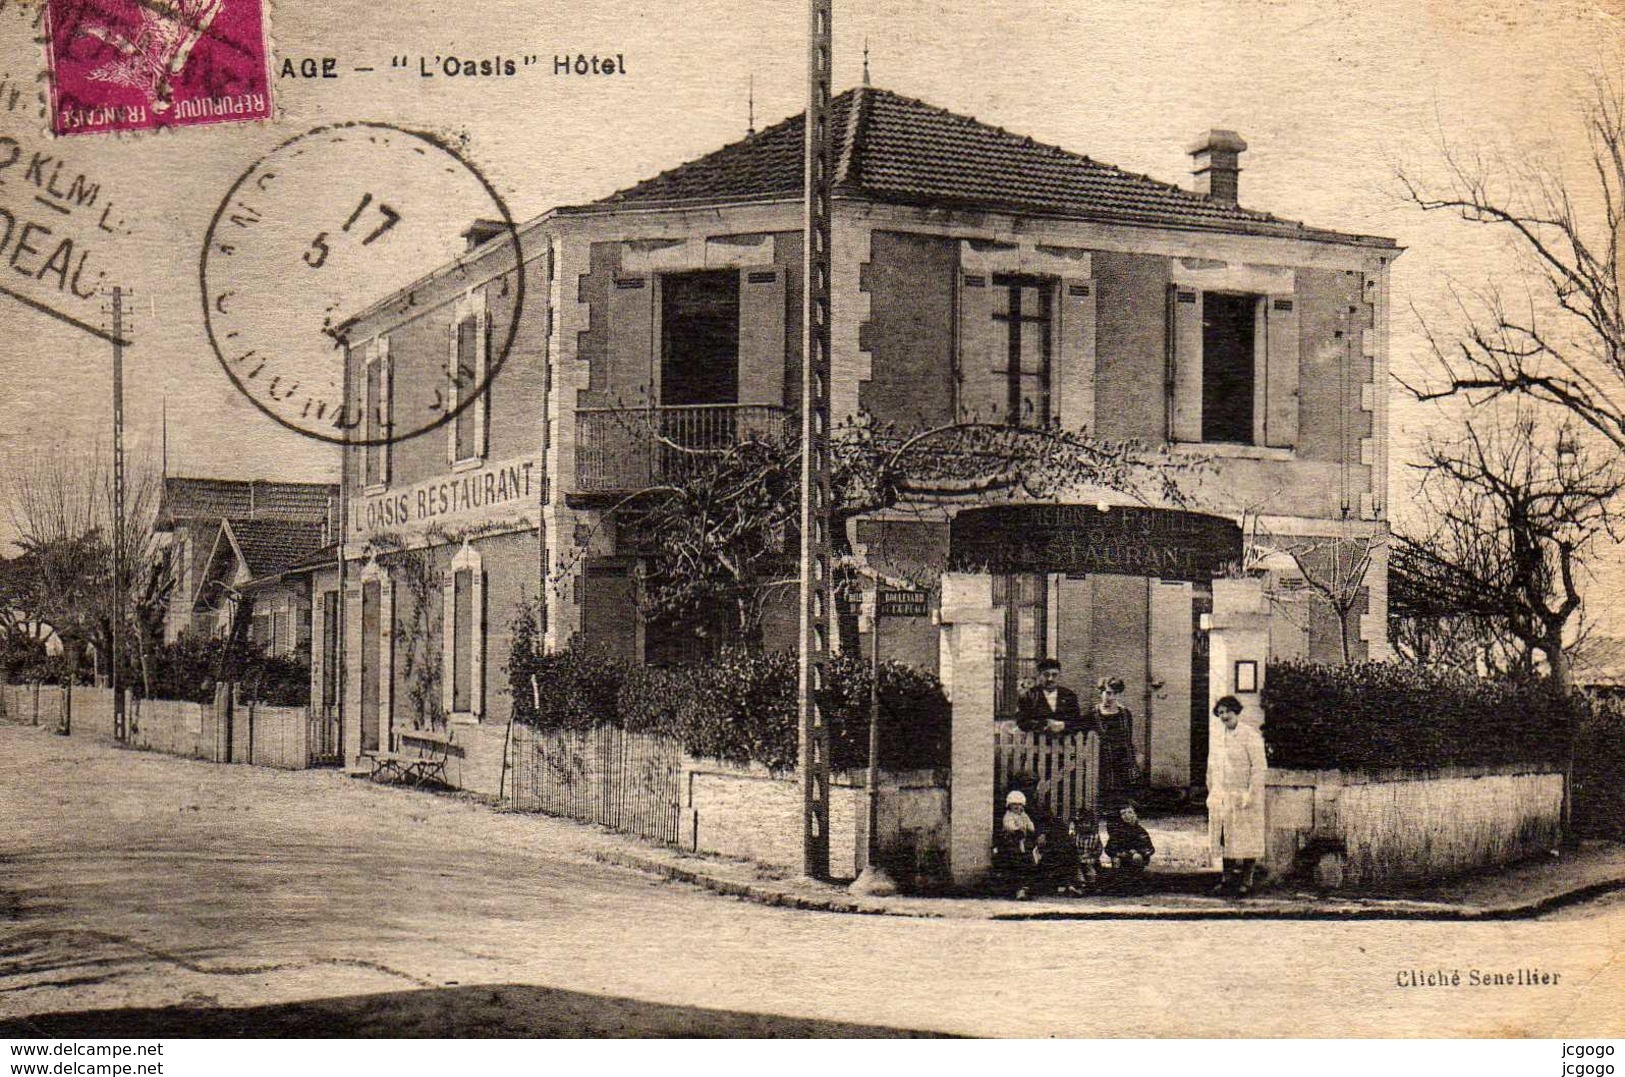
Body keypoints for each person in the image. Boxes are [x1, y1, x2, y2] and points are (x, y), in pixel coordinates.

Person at [1207, 695, 1268, 897]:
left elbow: (1259, 767)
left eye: (1228, 711)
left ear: (1237, 712)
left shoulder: (1250, 735)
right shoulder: (1217, 736)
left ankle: (1247, 881)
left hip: (1244, 795)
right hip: (1222, 795)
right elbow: (1212, 767)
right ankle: (1227, 880)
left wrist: (1251, 794)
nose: (1225, 716)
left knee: (1247, 839)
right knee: (1225, 838)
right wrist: (1212, 791)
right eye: (1221, 712)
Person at [1092, 676, 1140, 812]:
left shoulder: (1125, 714)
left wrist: (1132, 764)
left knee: (1121, 801)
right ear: (1101, 692)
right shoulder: (1093, 715)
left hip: (1121, 761)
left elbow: (1127, 740)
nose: (1110, 697)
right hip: (1101, 761)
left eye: (1115, 693)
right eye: (1107, 693)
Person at [1016, 658, 1087, 736]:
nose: (1050, 679)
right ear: (1039, 675)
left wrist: (1063, 725)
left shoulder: (1069, 695)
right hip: (1037, 743)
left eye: (1054, 675)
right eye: (1046, 675)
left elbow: (1077, 721)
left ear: (1059, 675)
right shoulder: (1028, 696)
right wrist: (1044, 725)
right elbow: (1022, 722)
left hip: (1064, 743)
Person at [995, 789, 1044, 900]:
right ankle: (1018, 888)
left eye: (1020, 806)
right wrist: (1016, 829)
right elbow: (1008, 825)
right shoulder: (1009, 816)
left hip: (1023, 842)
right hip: (1011, 841)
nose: (1018, 808)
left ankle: (1026, 888)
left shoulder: (1023, 815)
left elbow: (1030, 824)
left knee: (1029, 861)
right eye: (1015, 806)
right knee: (1016, 862)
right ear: (1009, 806)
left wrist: (1030, 827)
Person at [1105, 799, 1156, 890]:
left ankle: (1136, 881)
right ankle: (1118, 883)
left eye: (1130, 812)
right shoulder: (1118, 831)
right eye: (1123, 813)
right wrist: (1117, 853)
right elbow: (1109, 848)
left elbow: (1150, 848)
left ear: (1135, 815)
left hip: (1136, 857)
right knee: (1116, 860)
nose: (1127, 816)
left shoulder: (1140, 831)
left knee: (1136, 858)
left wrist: (1139, 852)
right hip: (1123, 857)